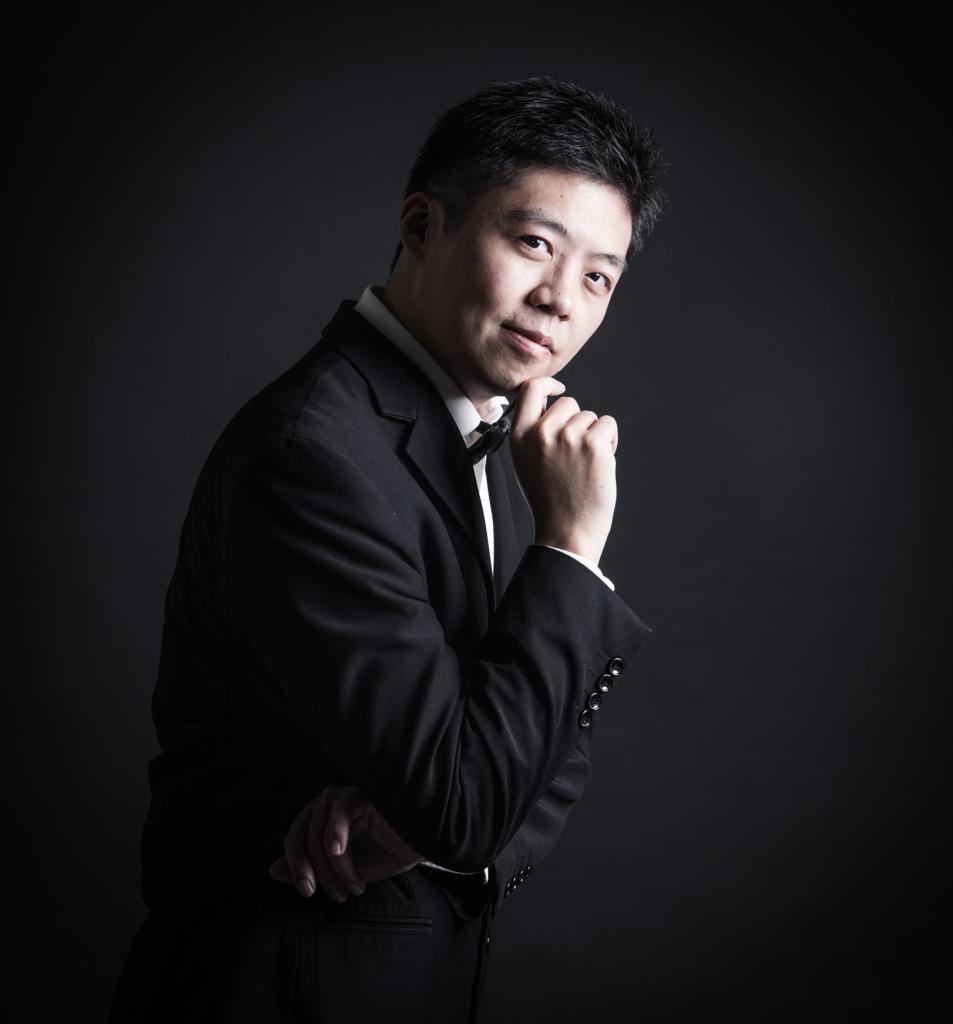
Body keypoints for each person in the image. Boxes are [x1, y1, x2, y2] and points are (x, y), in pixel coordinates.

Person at [110, 76, 665, 1023]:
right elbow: (468, 797)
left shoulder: (484, 435)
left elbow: (536, 751)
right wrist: (571, 547)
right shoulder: (314, 454)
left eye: (597, 277)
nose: (558, 301)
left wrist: (416, 831)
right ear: (420, 225)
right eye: (535, 243)